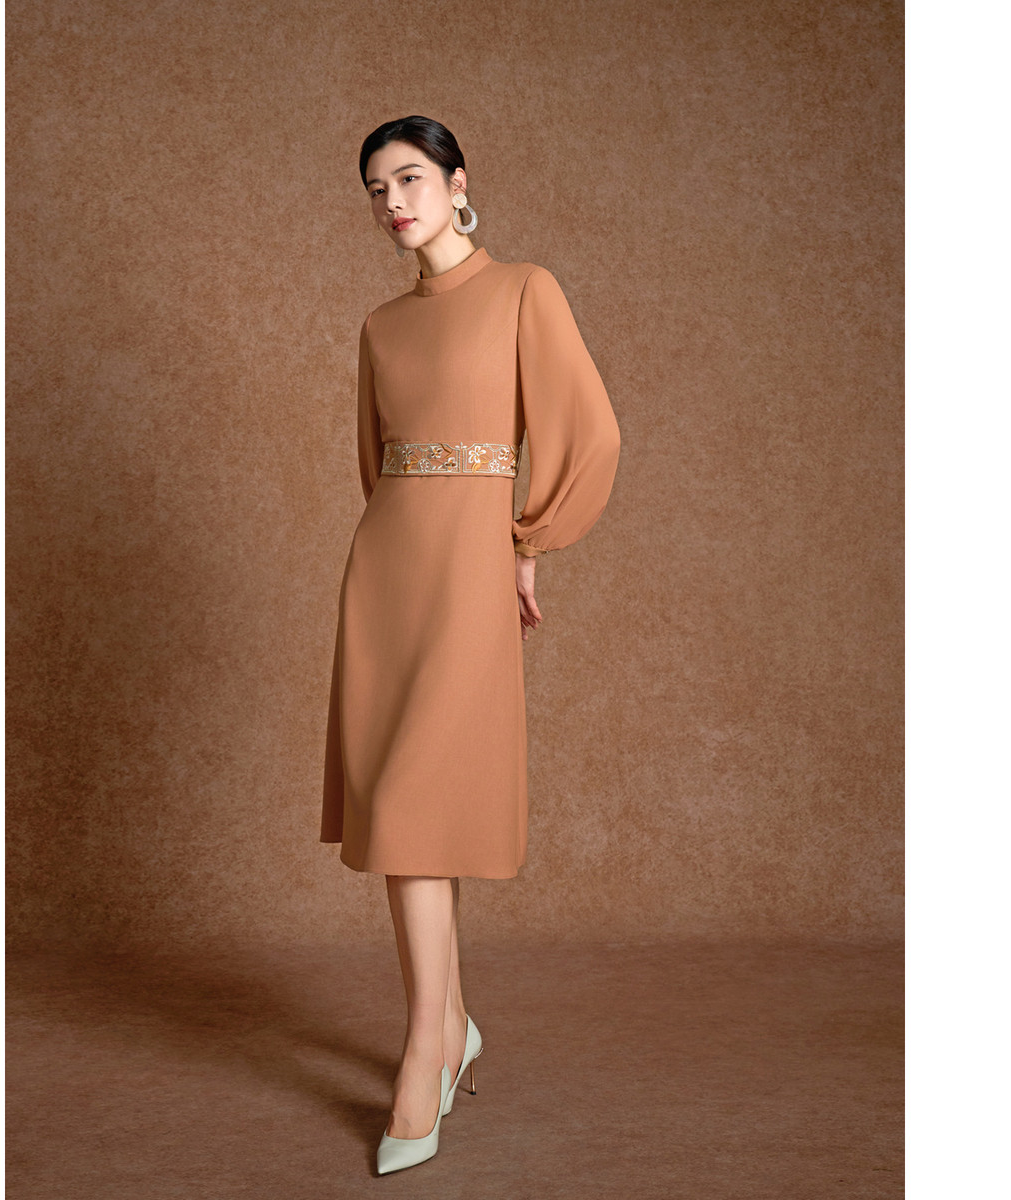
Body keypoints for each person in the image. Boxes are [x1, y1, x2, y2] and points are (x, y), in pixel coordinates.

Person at [320, 115, 621, 1175]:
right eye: (375, 189)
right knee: (408, 810)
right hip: (386, 576)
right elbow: (377, 468)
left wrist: (525, 544)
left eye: (410, 178)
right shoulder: (379, 328)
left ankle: (427, 1051)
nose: (392, 202)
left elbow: (589, 429)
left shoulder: (525, 292)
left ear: (457, 183)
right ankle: (448, 1027)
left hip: (469, 574)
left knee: (418, 803)